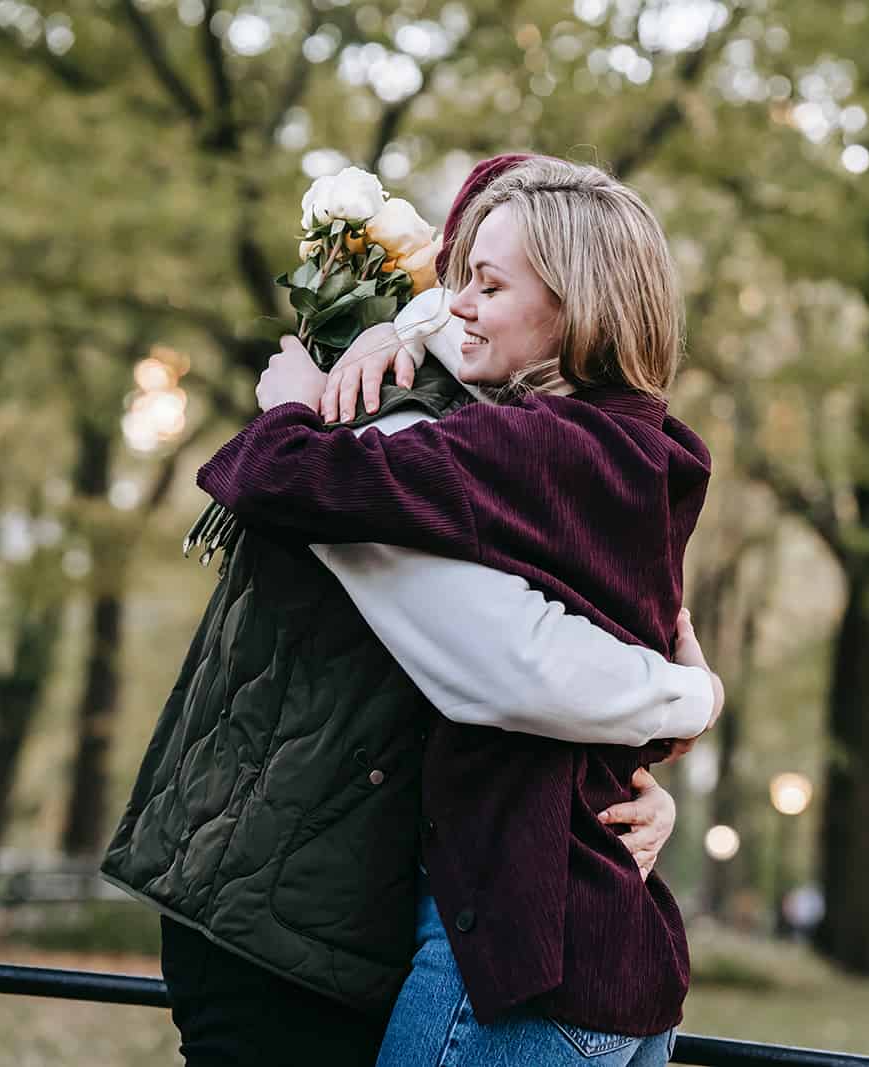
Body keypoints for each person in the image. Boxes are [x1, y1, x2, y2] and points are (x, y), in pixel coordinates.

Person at [102, 155, 721, 1067]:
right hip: (286, 918)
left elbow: (518, 669)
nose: (456, 298)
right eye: (452, 275)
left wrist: (285, 416)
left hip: (454, 942)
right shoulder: (646, 457)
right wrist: (680, 707)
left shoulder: (492, 443)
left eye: (485, 281)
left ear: (576, 303)